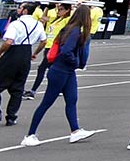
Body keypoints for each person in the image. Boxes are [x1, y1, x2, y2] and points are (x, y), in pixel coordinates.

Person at [21, 12, 100, 146]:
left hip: (66, 71)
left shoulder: (69, 29)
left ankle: (75, 131)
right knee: (47, 102)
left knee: (72, 99)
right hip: (61, 71)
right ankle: (30, 135)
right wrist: (76, 62)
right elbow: (66, 50)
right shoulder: (75, 32)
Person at [0, 3, 44, 129]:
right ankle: (11, 117)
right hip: (26, 53)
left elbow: (9, 41)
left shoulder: (16, 24)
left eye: (20, 8)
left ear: (24, 11)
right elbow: (43, 41)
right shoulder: (38, 24)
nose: (18, 9)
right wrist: (35, 53)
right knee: (17, 88)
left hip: (13, 53)